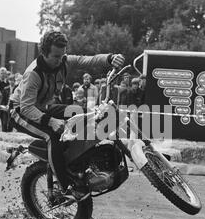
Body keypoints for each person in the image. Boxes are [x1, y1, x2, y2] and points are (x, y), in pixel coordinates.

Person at [9, 30, 124, 196]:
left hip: (43, 107)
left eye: (62, 55)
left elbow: (88, 60)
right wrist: (52, 122)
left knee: (82, 113)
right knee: (52, 135)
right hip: (20, 111)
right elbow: (27, 107)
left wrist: (110, 58)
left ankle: (78, 164)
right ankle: (66, 186)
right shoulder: (33, 74)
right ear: (44, 53)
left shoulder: (64, 60)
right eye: (56, 56)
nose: (60, 60)